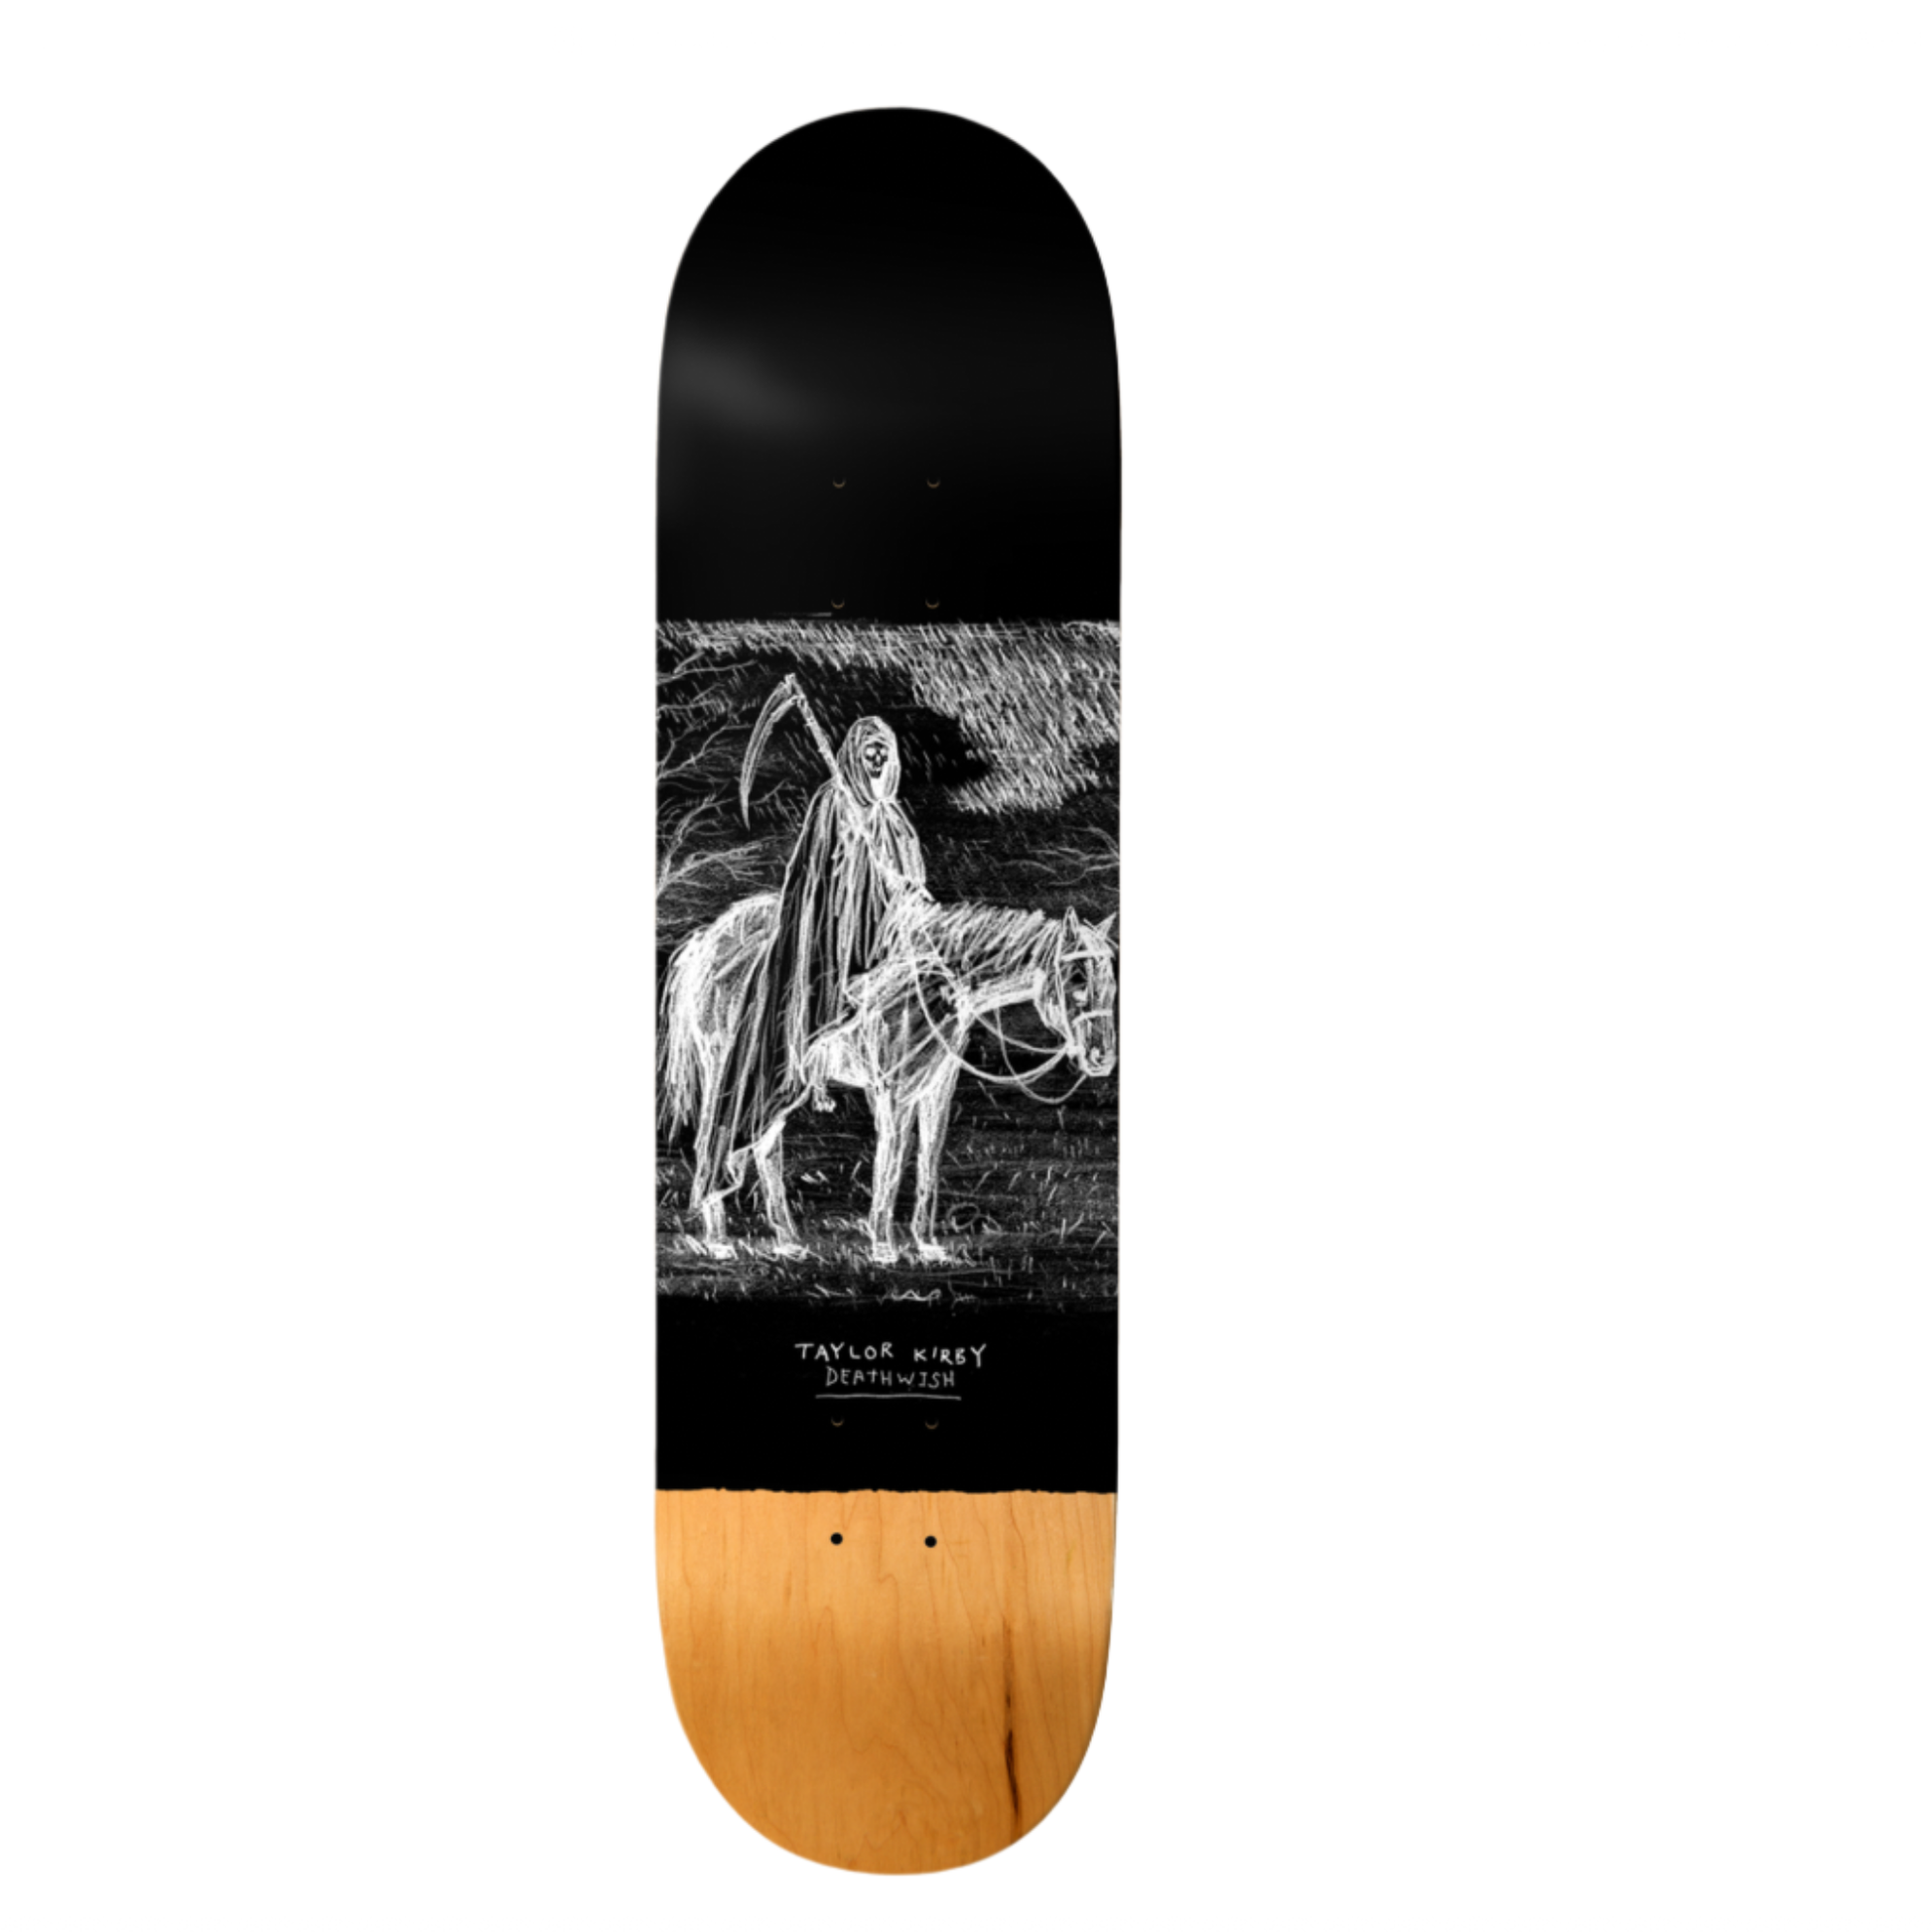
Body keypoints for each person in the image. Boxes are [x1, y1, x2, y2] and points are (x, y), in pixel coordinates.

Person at [705, 715, 926, 1186]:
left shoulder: (894, 818)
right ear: (853, 756)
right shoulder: (833, 801)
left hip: (885, 932)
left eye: (883, 753)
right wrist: (851, 855)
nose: (876, 761)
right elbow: (812, 874)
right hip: (837, 927)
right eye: (868, 753)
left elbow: (911, 877)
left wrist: (902, 886)